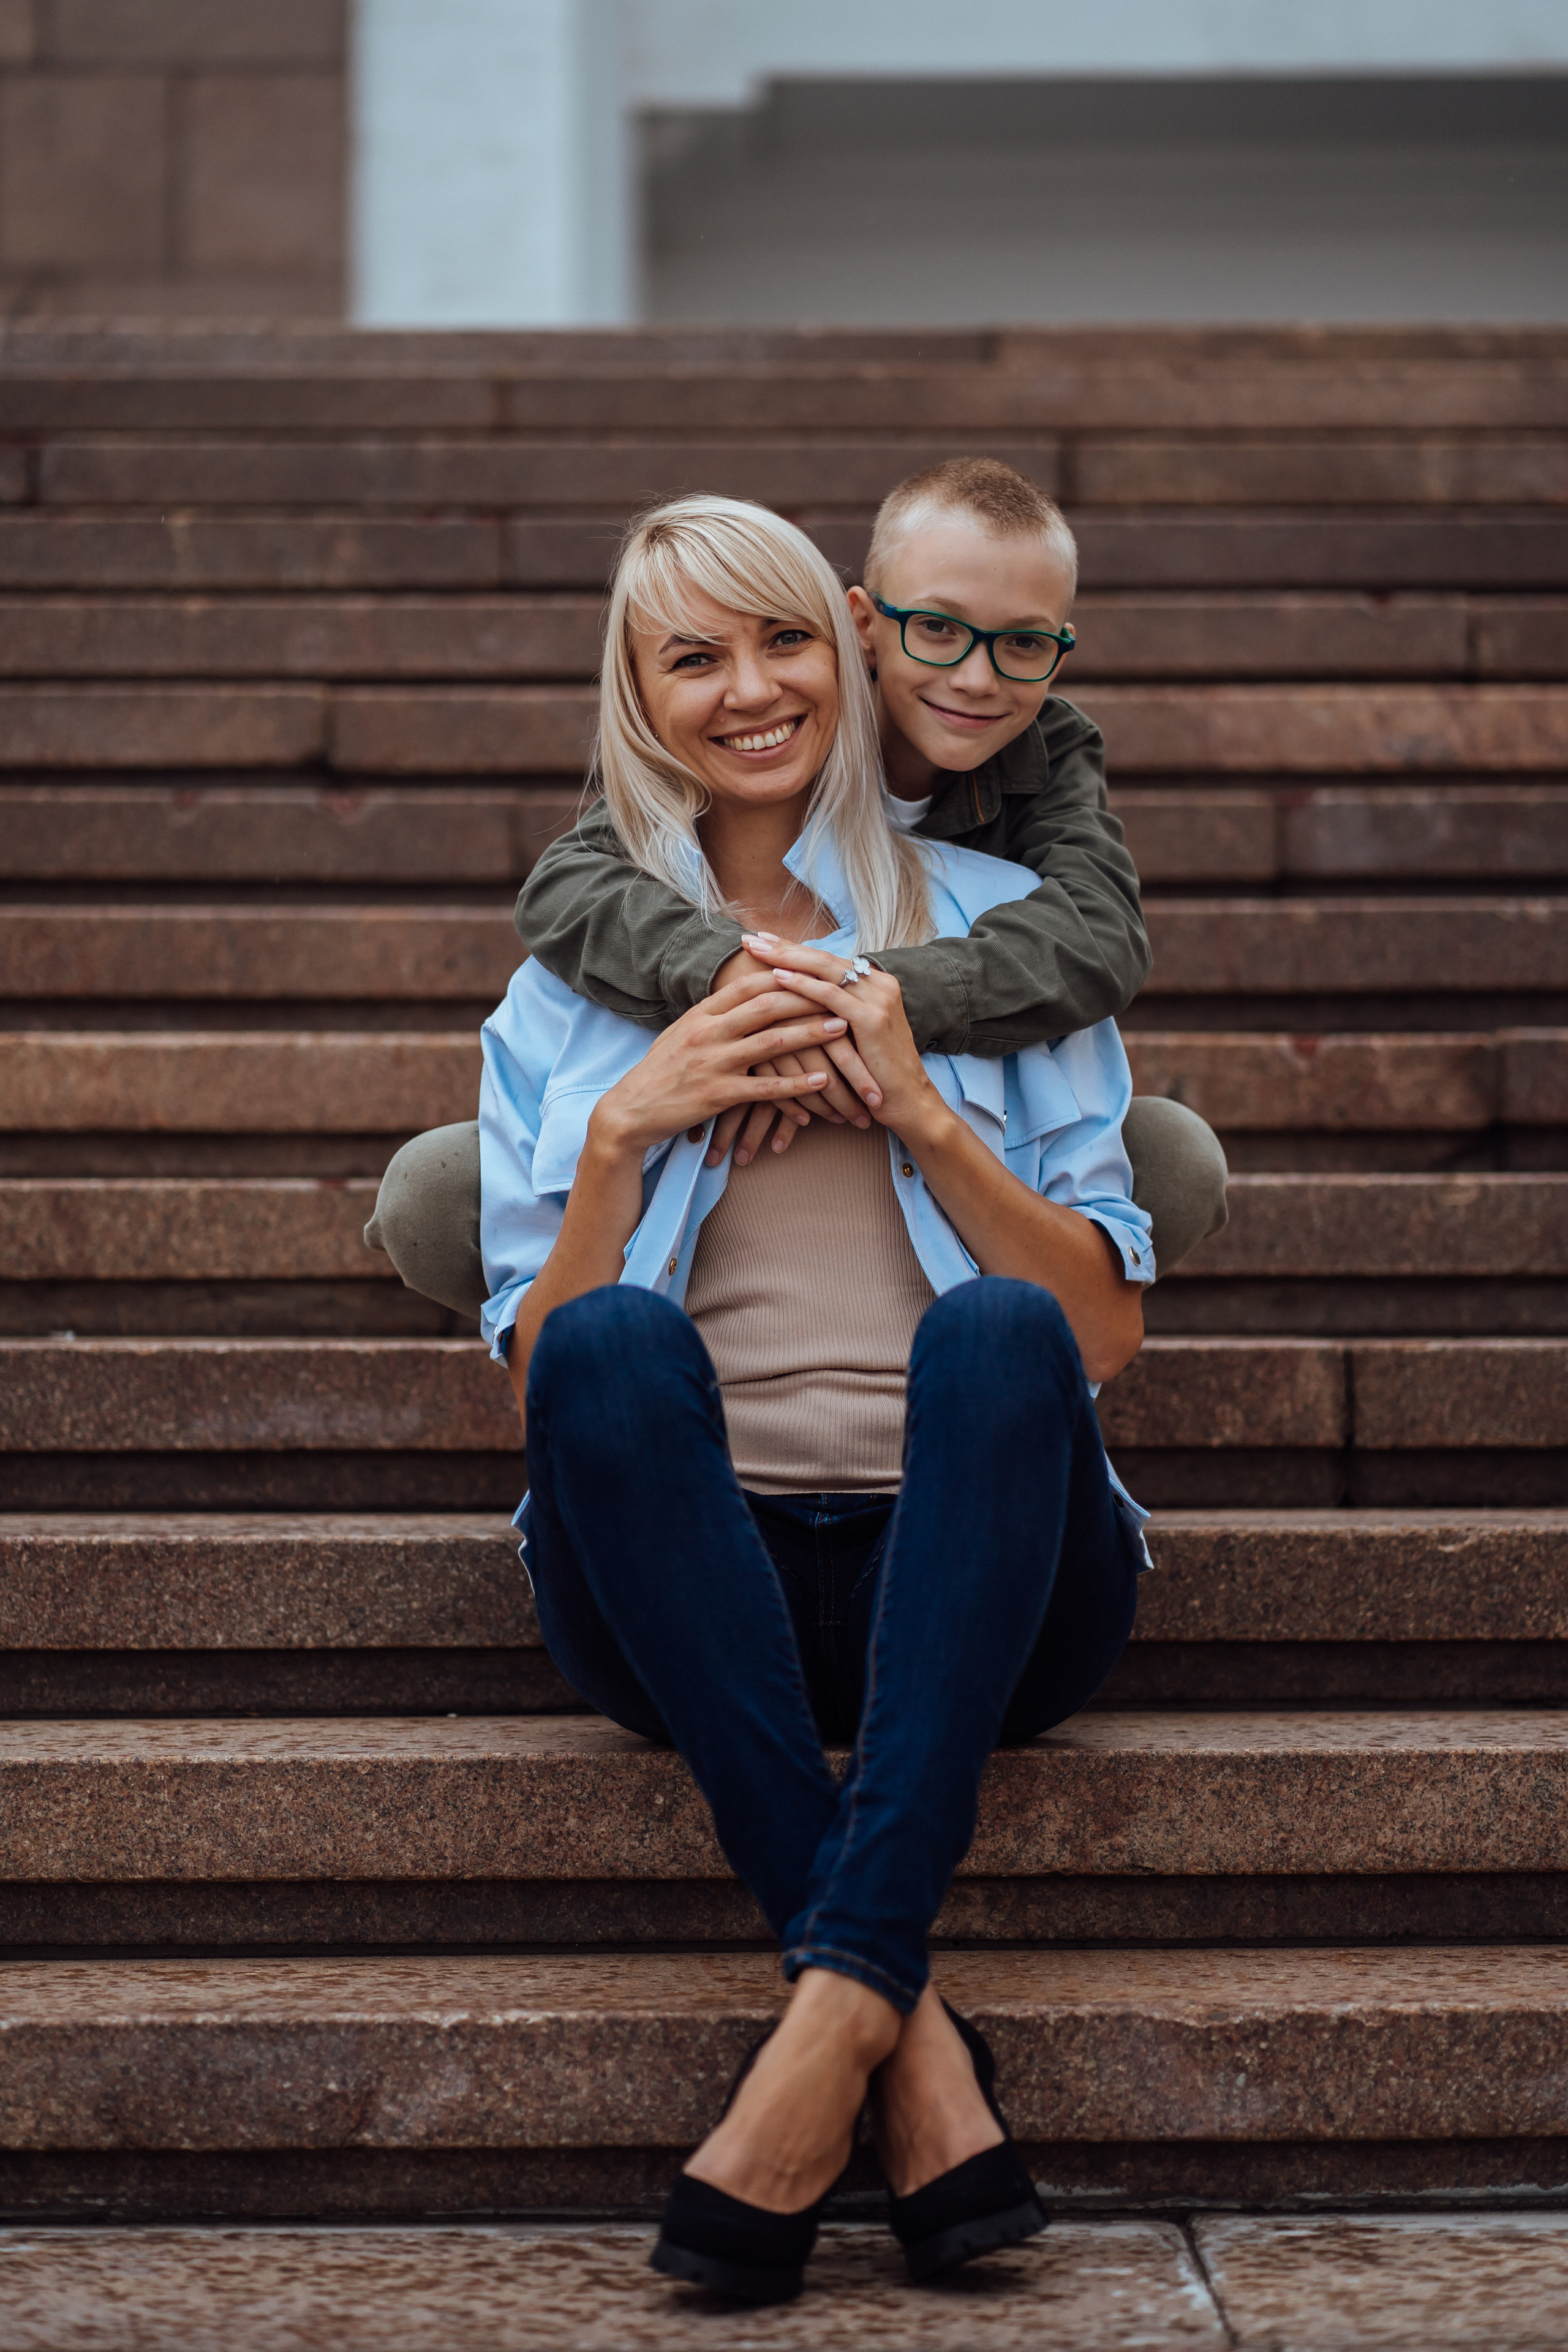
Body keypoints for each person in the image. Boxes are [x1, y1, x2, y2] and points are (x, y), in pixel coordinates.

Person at [480, 492, 1155, 2305]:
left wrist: (923, 1106)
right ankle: (896, 2035)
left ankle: (838, 2014)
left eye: (781, 640)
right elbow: (550, 1391)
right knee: (615, 1340)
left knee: (1000, 1334)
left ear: (847, 648)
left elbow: (1098, 1341)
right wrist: (625, 1139)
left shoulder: (1011, 934)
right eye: (691, 656)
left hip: (998, 1584)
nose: (750, 689)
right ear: (637, 691)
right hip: (698, 1594)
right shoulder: (575, 985)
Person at [366, 456, 1226, 1314]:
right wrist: (739, 985)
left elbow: (1098, 934)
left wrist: (858, 1009)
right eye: (937, 630)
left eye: (1024, 645)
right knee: (438, 1187)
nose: (975, 676)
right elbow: (566, 885)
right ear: (862, 627)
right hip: (741, 1067)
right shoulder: (750, 745)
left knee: (1173, 1159)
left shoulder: (1042, 755)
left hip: (963, 1044)